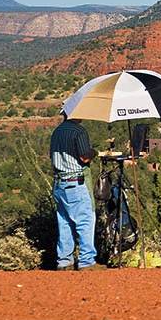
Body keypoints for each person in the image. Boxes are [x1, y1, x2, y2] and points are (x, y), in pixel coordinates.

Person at [49, 113, 105, 271]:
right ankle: (86, 262)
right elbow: (84, 158)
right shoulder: (78, 131)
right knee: (85, 221)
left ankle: (65, 261)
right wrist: (94, 152)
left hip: (59, 184)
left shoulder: (57, 131)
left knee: (65, 222)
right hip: (76, 183)